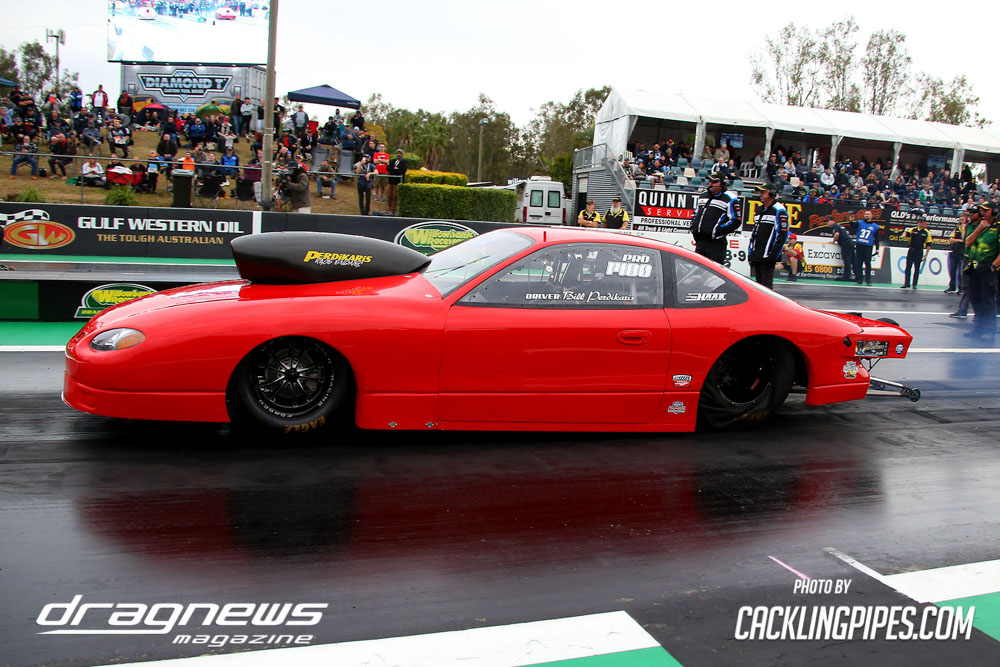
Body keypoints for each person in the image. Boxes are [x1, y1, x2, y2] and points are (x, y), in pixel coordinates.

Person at [962, 202, 999, 341]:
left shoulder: (998, 228)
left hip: (988, 267)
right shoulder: (977, 226)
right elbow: (967, 242)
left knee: (988, 300)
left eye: (986, 210)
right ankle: (978, 328)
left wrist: (993, 267)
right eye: (982, 210)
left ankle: (990, 331)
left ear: (993, 211)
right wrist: (979, 229)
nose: (983, 212)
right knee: (975, 298)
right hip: (974, 266)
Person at [690, 173, 740, 263]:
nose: (711, 184)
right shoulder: (703, 195)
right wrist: (694, 228)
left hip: (716, 244)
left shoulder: (730, 198)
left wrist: (716, 232)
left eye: (714, 181)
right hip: (700, 241)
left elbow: (735, 221)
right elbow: (696, 214)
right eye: (710, 181)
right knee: (697, 269)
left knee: (713, 270)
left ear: (722, 183)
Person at [747, 184, 789, 289]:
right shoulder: (759, 209)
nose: (760, 194)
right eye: (760, 192)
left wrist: (773, 255)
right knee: (758, 286)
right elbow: (755, 232)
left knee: (766, 286)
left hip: (767, 255)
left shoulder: (779, 210)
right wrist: (751, 251)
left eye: (763, 192)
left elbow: (782, 235)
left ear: (771, 193)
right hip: (757, 253)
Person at [901, 218, 932, 289]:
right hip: (911, 250)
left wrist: (926, 255)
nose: (920, 223)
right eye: (919, 222)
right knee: (908, 267)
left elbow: (929, 244)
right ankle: (906, 283)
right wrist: (904, 234)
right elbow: (906, 233)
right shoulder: (913, 229)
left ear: (924, 223)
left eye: (922, 222)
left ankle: (914, 284)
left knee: (917, 268)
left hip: (919, 251)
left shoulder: (926, 232)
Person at [853, 209, 881, 286]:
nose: (866, 215)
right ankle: (859, 280)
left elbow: (877, 238)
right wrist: (851, 220)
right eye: (865, 214)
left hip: (868, 246)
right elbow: (852, 225)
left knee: (867, 263)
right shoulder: (860, 223)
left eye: (868, 214)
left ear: (871, 216)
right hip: (860, 245)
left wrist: (877, 248)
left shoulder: (875, 226)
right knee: (859, 263)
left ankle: (868, 280)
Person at [945, 215, 967, 293]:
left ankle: (961, 287)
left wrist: (963, 228)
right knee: (952, 270)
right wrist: (959, 240)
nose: (960, 221)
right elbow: (951, 239)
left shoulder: (967, 229)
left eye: (962, 219)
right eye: (960, 219)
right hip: (954, 251)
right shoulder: (956, 229)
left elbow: (964, 238)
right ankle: (952, 286)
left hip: (962, 253)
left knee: (960, 272)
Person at [387, 149, 407, 214]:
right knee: (389, 196)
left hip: (398, 182)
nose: (398, 155)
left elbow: (402, 170)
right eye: (397, 153)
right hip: (391, 181)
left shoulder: (403, 162)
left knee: (395, 196)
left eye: (400, 153)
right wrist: (394, 169)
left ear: (402, 155)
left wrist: (395, 170)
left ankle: (393, 210)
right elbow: (388, 168)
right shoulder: (393, 161)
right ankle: (389, 208)